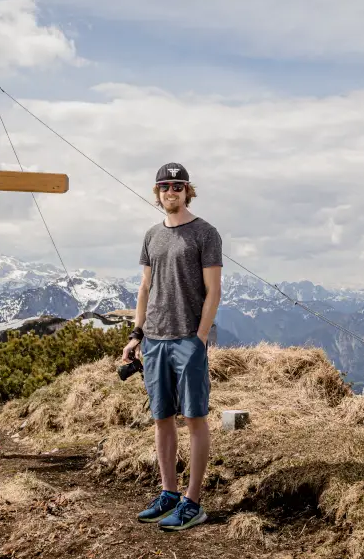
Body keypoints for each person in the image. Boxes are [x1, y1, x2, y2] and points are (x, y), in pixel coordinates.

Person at [122, 162, 223, 532]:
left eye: (178, 186)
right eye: (164, 186)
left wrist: (199, 338)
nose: (171, 192)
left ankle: (193, 502)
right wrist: (136, 335)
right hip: (154, 341)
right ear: (157, 192)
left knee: (195, 418)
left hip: (187, 340)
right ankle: (169, 494)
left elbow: (214, 291)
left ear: (187, 191)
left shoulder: (206, 233)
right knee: (162, 419)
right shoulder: (151, 235)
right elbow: (145, 288)